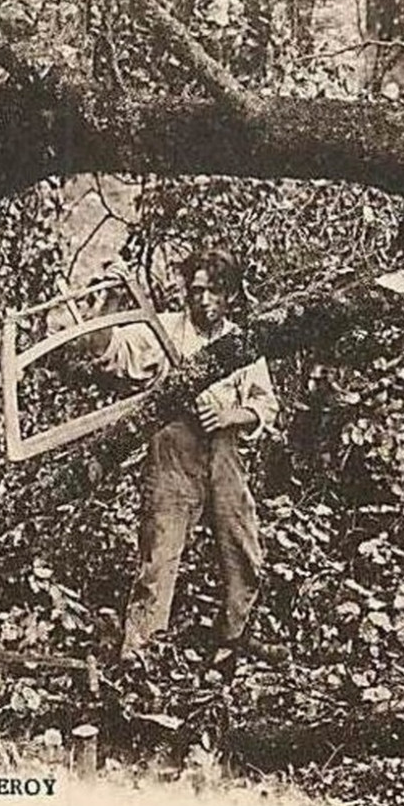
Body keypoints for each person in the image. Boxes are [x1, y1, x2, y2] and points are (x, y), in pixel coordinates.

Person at [87, 250, 284, 666]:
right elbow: (108, 349)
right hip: (174, 454)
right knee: (159, 557)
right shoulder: (162, 330)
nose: (205, 300)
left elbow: (266, 406)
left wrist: (231, 414)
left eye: (216, 291)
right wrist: (112, 298)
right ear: (185, 292)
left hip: (226, 453)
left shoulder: (243, 341)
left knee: (242, 549)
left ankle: (231, 644)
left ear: (230, 296)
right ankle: (140, 657)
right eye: (197, 290)